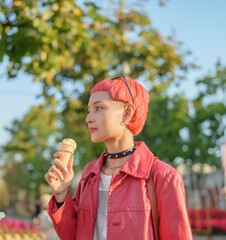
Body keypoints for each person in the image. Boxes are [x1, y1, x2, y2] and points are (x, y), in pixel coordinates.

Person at [44, 76, 192, 239]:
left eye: (98, 108)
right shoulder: (89, 174)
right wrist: (61, 195)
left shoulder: (164, 177)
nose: (88, 118)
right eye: (89, 110)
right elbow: (73, 235)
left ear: (127, 113)